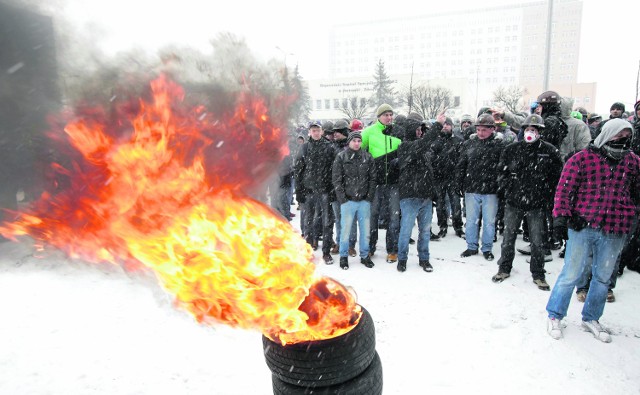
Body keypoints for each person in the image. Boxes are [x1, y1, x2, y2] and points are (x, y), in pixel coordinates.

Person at [546, 118, 640, 342]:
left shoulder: (633, 162)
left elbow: (637, 193)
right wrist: (561, 217)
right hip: (583, 225)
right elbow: (564, 190)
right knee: (572, 273)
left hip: (616, 228)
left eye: (627, 137)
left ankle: (591, 317)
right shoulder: (582, 159)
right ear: (607, 134)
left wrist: (632, 210)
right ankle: (555, 314)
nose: (622, 142)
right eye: (618, 136)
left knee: (602, 277)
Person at [491, 114, 563, 290]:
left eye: (534, 129)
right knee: (508, 238)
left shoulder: (549, 151)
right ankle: (504, 268)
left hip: (537, 204)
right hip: (514, 201)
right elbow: (502, 172)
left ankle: (538, 273)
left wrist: (547, 196)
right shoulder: (511, 149)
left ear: (540, 132)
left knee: (538, 241)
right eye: (528, 129)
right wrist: (507, 188)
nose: (530, 132)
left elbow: (557, 177)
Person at [455, 114, 505, 261]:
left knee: (489, 222)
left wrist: (501, 186)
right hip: (472, 188)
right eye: (479, 129)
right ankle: (471, 246)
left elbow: (503, 169)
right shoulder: (469, 144)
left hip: (491, 190)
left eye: (484, 130)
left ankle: (487, 248)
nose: (481, 133)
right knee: (471, 220)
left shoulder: (498, 146)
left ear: (492, 129)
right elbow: (461, 165)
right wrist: (458, 182)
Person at [396, 112, 439, 272]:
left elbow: (430, 171)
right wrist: (438, 125)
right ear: (410, 130)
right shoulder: (405, 146)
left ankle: (424, 259)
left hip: (425, 196)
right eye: (418, 129)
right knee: (406, 231)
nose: (420, 132)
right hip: (410, 196)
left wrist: (432, 193)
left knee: (425, 231)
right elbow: (422, 145)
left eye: (422, 129)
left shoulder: (424, 147)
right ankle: (402, 259)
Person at [361, 104, 401, 263]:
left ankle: (392, 250)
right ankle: (370, 247)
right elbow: (358, 151)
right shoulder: (369, 132)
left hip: (393, 182)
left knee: (394, 216)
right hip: (375, 183)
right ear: (379, 116)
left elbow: (404, 151)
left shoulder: (398, 131)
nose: (389, 118)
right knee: (372, 216)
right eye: (386, 115)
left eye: (391, 114)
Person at [332, 131, 377, 270]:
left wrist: (369, 197)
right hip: (348, 201)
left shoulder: (367, 157)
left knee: (365, 231)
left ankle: (364, 256)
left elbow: (372, 178)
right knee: (345, 230)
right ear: (349, 142)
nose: (357, 143)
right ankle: (343, 256)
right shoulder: (341, 157)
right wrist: (343, 199)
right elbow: (337, 179)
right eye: (354, 141)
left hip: (364, 201)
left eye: (359, 141)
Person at [294, 121, 336, 264]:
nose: (316, 133)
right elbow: (298, 170)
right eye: (313, 130)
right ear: (309, 132)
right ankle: (309, 246)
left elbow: (334, 170)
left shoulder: (329, 147)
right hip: (309, 190)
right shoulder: (304, 148)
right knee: (308, 221)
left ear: (322, 131)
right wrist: (298, 190)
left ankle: (326, 251)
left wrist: (332, 189)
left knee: (327, 222)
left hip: (324, 190)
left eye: (318, 130)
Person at [432, 117, 465, 238]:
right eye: (443, 124)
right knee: (440, 204)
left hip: (453, 178)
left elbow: (462, 161)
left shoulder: (458, 141)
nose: (445, 126)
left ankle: (458, 226)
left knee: (456, 203)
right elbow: (431, 158)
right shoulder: (436, 141)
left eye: (448, 124)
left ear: (452, 126)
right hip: (439, 178)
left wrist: (459, 176)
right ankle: (442, 226)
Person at [331, 120, 358, 256]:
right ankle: (340, 242)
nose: (334, 134)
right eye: (334, 131)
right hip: (335, 188)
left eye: (337, 131)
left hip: (350, 189)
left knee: (351, 219)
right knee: (338, 218)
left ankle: (351, 245)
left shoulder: (352, 147)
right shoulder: (331, 147)